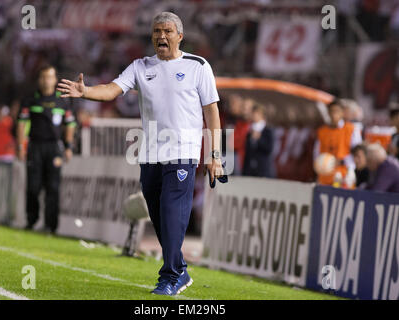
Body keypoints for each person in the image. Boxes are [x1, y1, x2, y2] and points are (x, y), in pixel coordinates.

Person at [57, 12, 223, 296]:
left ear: (179, 36)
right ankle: (180, 269)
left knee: (172, 212)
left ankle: (169, 276)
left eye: (168, 31)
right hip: (149, 154)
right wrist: (85, 92)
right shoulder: (140, 66)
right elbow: (112, 90)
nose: (161, 36)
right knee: (158, 216)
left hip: (182, 152)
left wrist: (215, 154)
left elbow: (211, 111)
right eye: (157, 31)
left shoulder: (198, 66)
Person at [17, 65, 76, 234]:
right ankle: (31, 220)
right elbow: (21, 124)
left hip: (54, 147)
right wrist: (21, 146)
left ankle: (51, 226)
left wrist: (68, 146)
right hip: (34, 146)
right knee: (33, 187)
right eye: (43, 77)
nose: (46, 80)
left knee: (53, 188)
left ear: (55, 79)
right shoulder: (30, 100)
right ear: (39, 79)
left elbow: (70, 124)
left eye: (49, 77)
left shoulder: (63, 100)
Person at [314, 98, 362, 187]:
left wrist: (342, 162)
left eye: (336, 111)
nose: (333, 114)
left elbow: (357, 152)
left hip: (344, 175)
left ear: (342, 113)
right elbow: (316, 153)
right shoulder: (322, 131)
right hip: (325, 175)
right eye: (331, 111)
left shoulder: (351, 129)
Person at [242, 103, 275, 177]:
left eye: (257, 113)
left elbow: (269, 148)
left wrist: (259, 139)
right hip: (249, 169)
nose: (254, 115)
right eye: (253, 113)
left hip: (262, 169)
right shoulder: (250, 129)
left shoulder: (268, 130)